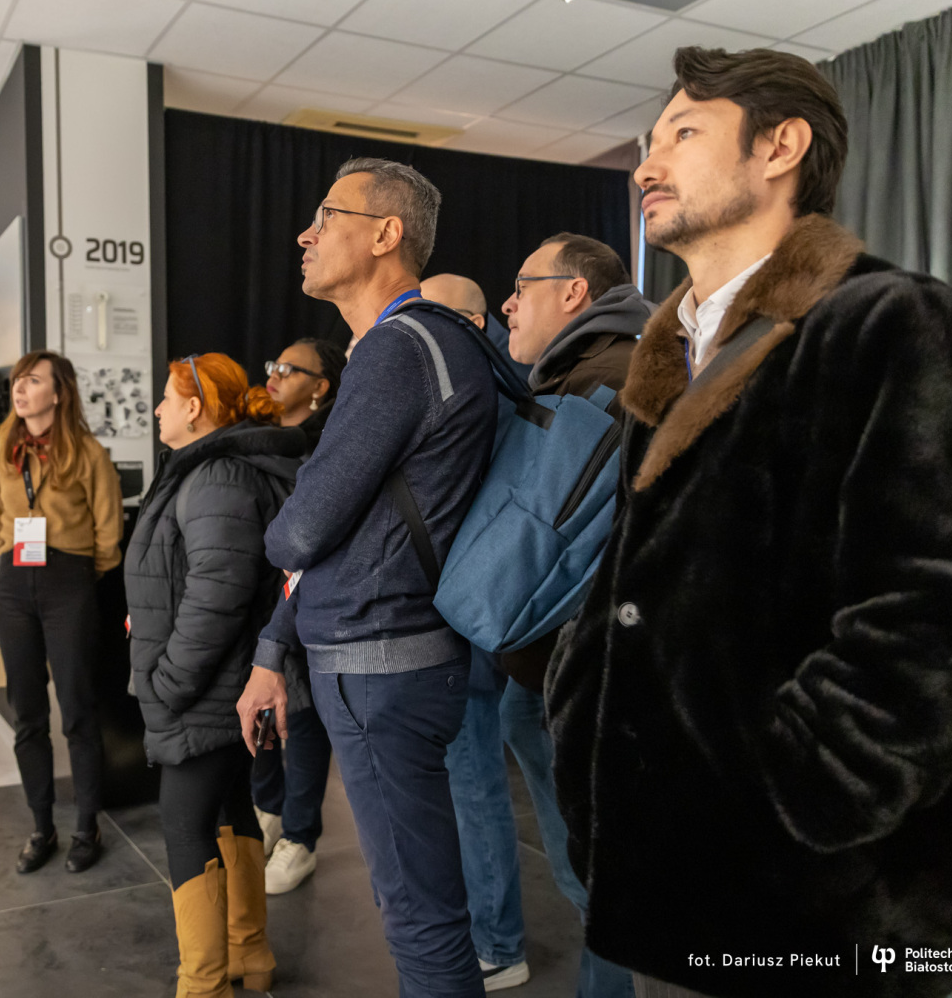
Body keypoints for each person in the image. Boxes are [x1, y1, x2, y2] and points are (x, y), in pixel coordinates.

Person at [546, 46, 952, 998]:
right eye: (648, 141)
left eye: (682, 133)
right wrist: (581, 706)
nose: (645, 166)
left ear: (780, 146)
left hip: (827, 911)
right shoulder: (673, 358)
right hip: (672, 884)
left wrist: (802, 796)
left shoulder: (888, 320)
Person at [237, 158, 498, 998]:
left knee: (418, 914)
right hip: (398, 654)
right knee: (421, 902)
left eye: (327, 216)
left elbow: (300, 530)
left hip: (381, 664)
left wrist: (287, 526)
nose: (305, 234)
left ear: (387, 234)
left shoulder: (398, 349)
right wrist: (275, 647)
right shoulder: (428, 341)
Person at [451, 241, 649, 997]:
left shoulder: (611, 381)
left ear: (573, 293)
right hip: (553, 670)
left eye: (521, 286)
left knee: (602, 883)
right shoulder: (585, 372)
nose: (508, 304)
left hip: (584, 674)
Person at [126, 352, 302, 997]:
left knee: (185, 824)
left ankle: (202, 986)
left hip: (205, 688)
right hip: (223, 686)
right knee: (230, 810)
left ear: (196, 408)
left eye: (168, 399)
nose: (158, 410)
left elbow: (218, 592)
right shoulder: (210, 469)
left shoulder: (216, 475)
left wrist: (169, 682)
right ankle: (248, 953)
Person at [418, 272, 533, 991]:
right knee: (471, 771)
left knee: (474, 774)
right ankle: (492, 932)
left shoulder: (480, 383)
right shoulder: (498, 376)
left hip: (476, 606)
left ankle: (498, 941)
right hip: (479, 601)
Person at [0, 349, 123, 875]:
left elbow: (109, 533)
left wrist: (78, 574)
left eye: (33, 381)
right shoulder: (1, 451)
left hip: (70, 582)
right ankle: (41, 826)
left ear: (59, 393)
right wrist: (14, 553)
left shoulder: (88, 452)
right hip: (13, 583)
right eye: (18, 381)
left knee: (78, 709)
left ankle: (87, 825)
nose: (20, 389)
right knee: (26, 713)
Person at [251, 337, 347, 894]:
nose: (275, 374)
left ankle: (300, 836)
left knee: (304, 715)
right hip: (261, 593)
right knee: (261, 706)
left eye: (289, 369)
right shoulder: (257, 438)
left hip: (309, 596)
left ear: (320, 388)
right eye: (274, 364)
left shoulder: (331, 441)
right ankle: (269, 809)